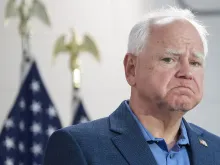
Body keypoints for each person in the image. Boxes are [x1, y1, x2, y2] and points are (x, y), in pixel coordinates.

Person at [43, 6, 220, 165]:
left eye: (195, 62)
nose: (186, 73)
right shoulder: (80, 146)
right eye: (169, 59)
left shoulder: (215, 150)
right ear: (131, 69)